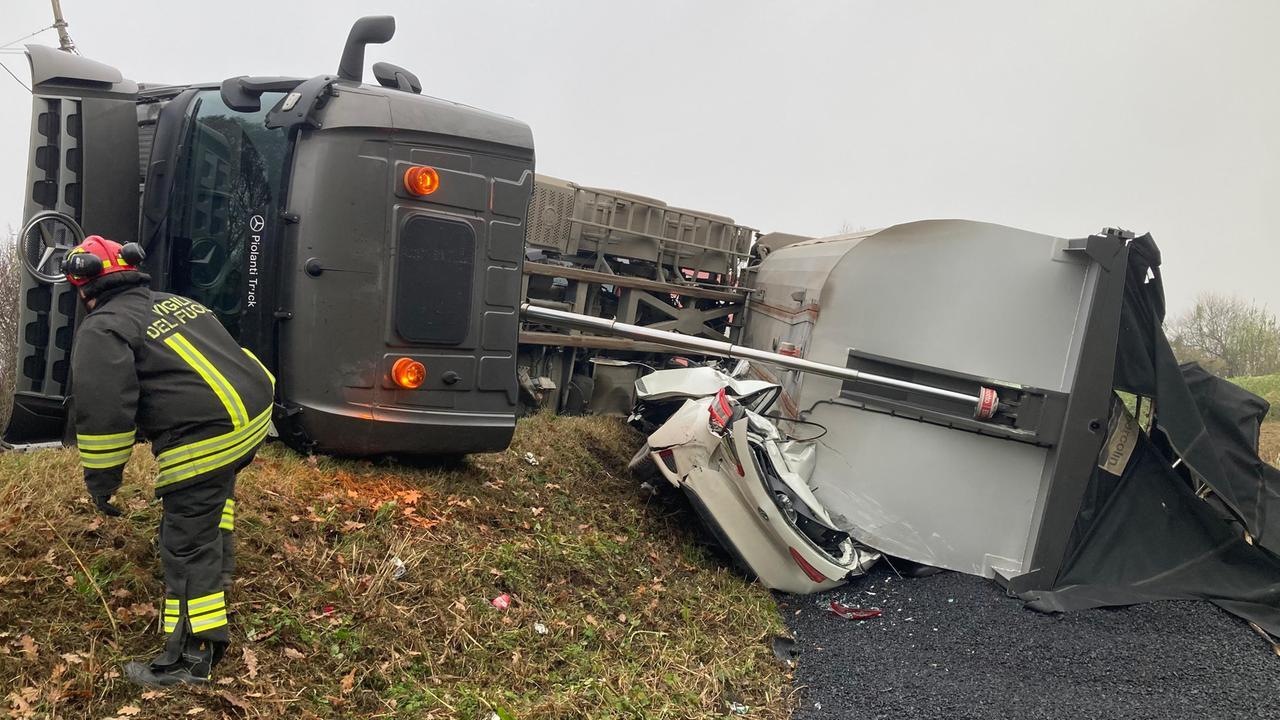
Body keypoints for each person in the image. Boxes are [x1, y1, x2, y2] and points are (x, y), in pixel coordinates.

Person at [62, 235, 274, 687]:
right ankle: (220, 572)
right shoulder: (176, 302)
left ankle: (191, 658)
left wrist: (102, 483)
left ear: (82, 287)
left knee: (184, 543)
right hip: (252, 417)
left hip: (206, 436)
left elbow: (104, 413)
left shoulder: (102, 328)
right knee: (210, 511)